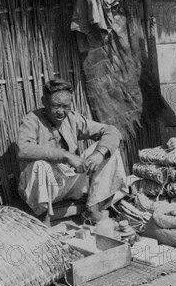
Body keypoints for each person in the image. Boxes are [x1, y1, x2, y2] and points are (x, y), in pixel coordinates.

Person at [17, 78, 128, 223]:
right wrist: (65, 155)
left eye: (66, 106)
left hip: (71, 181)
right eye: (56, 106)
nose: (61, 112)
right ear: (44, 101)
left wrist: (99, 153)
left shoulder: (73, 119)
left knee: (109, 150)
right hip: (46, 187)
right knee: (39, 166)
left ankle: (93, 208)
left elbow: (111, 131)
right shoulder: (32, 120)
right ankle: (44, 220)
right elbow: (23, 149)